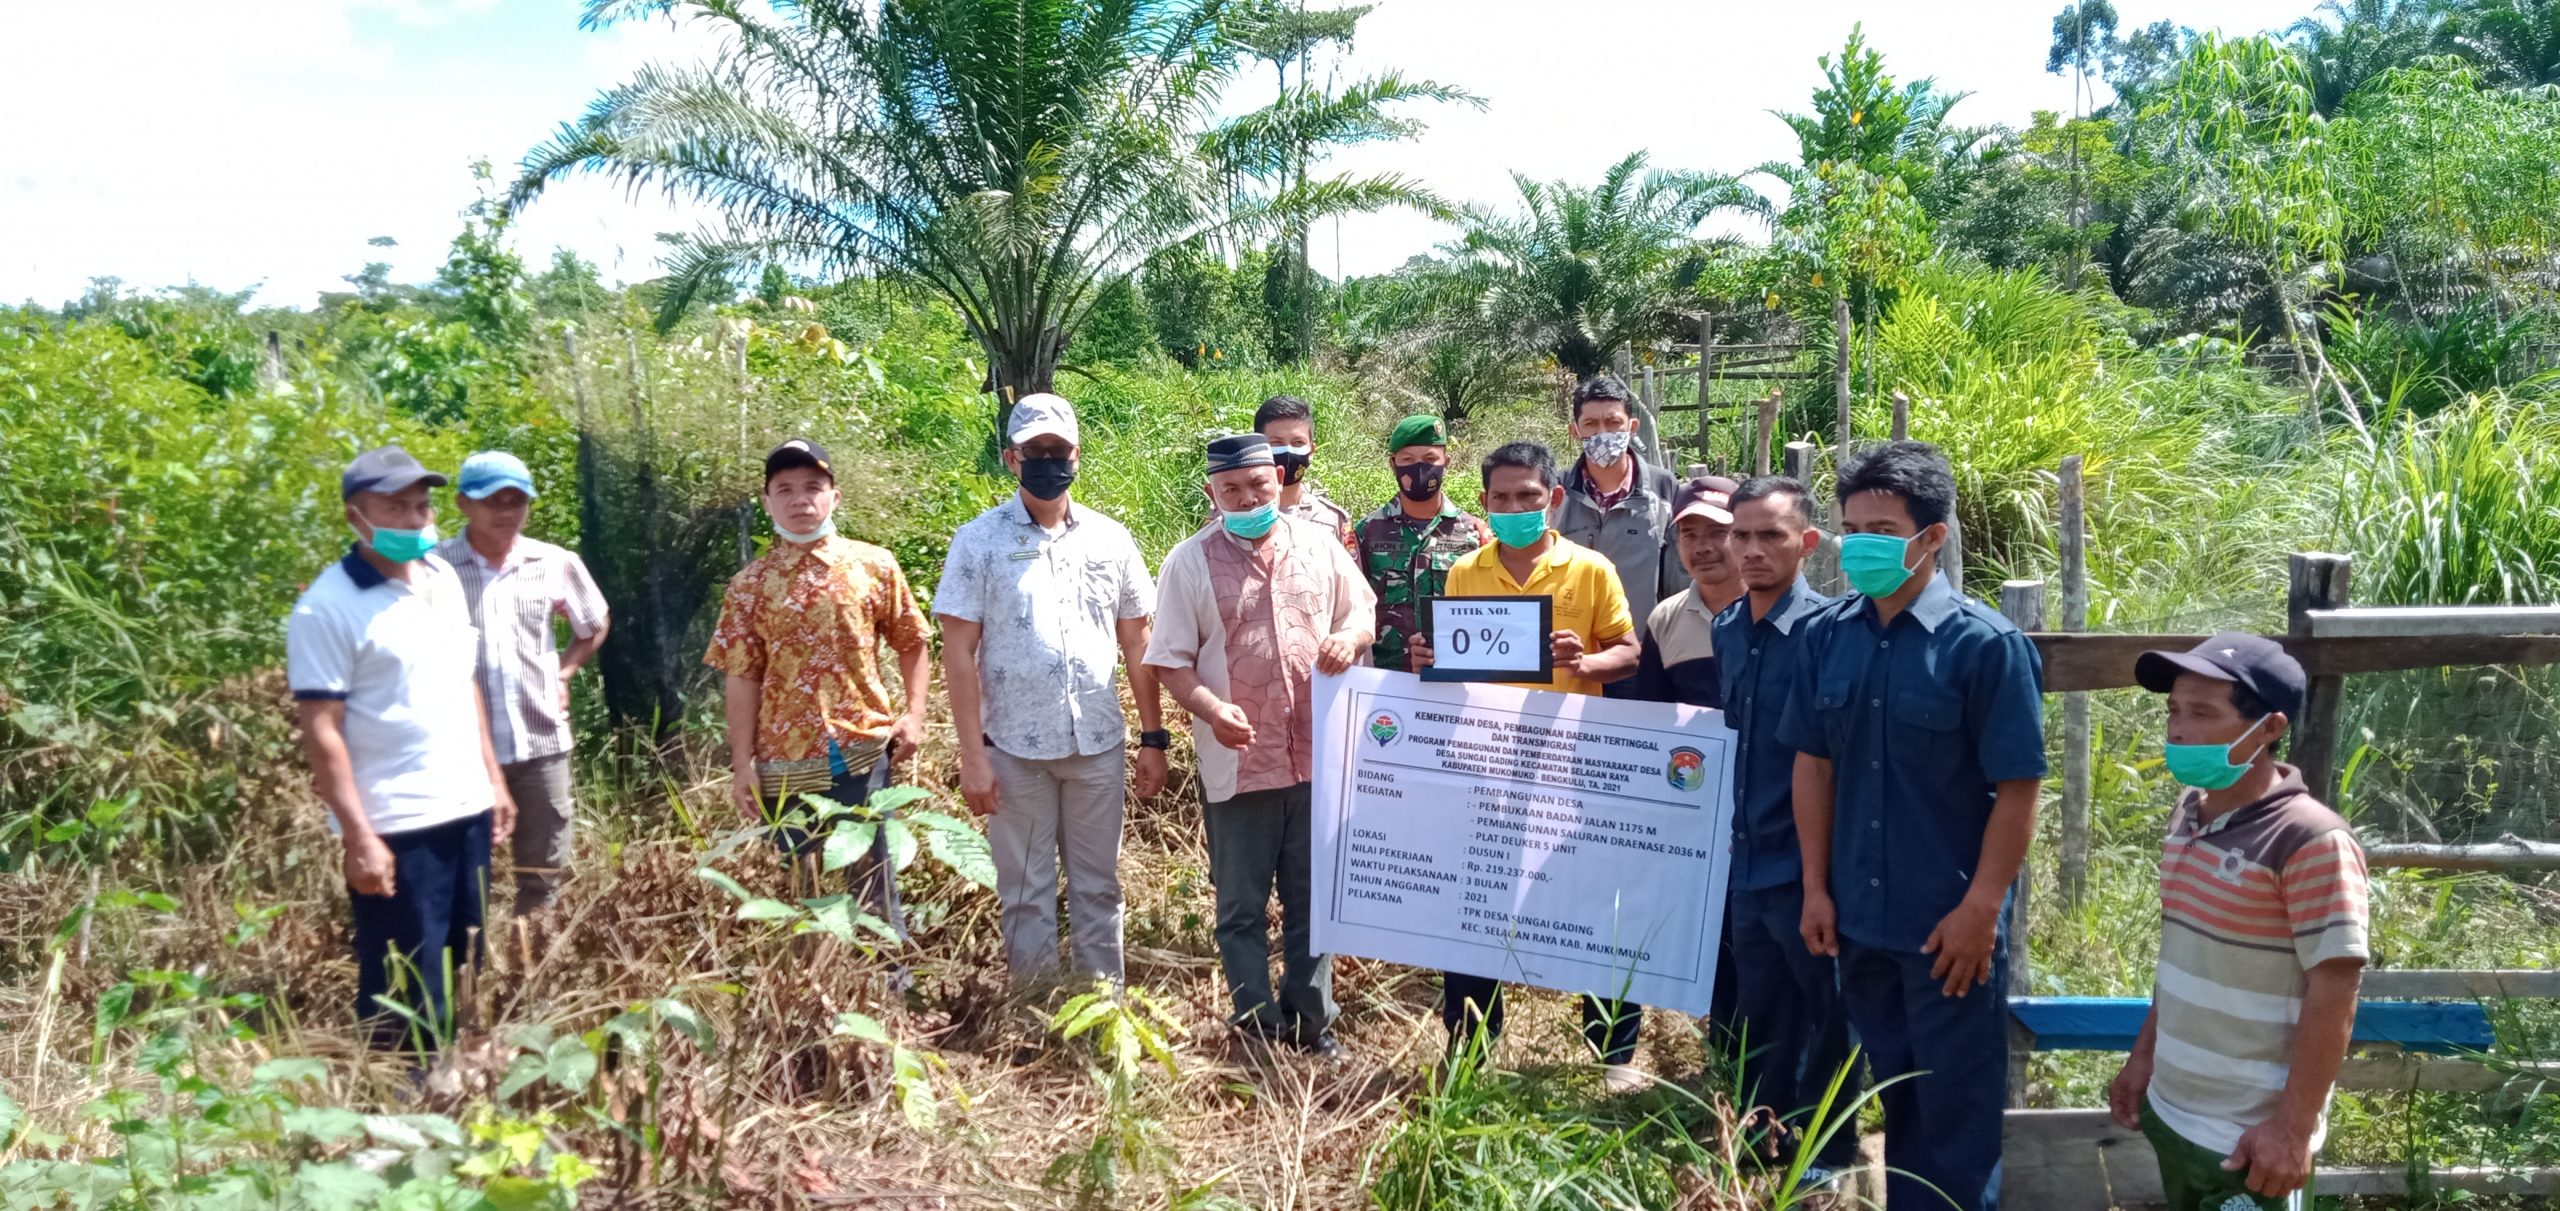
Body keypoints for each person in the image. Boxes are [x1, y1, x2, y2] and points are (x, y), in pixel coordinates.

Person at [1782, 440, 2047, 1211]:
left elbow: (2018, 789)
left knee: (1954, 1130)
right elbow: (1814, 767)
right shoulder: (1829, 637)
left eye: (1883, 527)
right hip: (1859, 925)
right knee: (1896, 1107)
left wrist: (1982, 907)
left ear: (1931, 537)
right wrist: (1814, 888)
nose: (1862, 543)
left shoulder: (1985, 648)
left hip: (1947, 936)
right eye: (1853, 526)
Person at [1409, 441, 1646, 1090]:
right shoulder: (1464, 574)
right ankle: (1472, 1044)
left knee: (1596, 906)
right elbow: (1459, 677)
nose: (1515, 507)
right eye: (1502, 498)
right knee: (1477, 903)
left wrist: (1586, 663)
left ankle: (1614, 1052)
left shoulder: (1592, 569)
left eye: (1528, 497)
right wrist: (1429, 662)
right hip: (1489, 767)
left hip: (1571, 767)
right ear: (1483, 503)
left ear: (1554, 499)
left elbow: (1627, 651)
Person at [2108, 635, 2368, 1210]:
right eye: (2174, 709)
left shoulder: (2310, 840)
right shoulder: (2189, 811)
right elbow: (2183, 951)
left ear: (2270, 728)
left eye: (2202, 712)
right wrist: (2144, 1057)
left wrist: (2293, 1129)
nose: (2178, 729)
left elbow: (2337, 985)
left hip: (2248, 1141)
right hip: (2173, 1112)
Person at [1145, 433, 1375, 1058]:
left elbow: (1363, 613)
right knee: (1240, 906)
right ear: (1211, 493)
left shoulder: (1320, 546)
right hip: (1239, 762)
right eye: (1231, 491)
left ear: (1278, 478)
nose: (1248, 499)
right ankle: (1255, 1022)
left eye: (1258, 486)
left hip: (1316, 758)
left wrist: (1350, 640)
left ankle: (1311, 1023)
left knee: (1313, 903)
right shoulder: (1188, 563)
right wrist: (1214, 709)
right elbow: (1169, 661)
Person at [935, 394, 1167, 992]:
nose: (1046, 461)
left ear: (1076, 456)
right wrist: (973, 755)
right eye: (1033, 451)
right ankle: (1035, 1013)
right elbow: (957, 652)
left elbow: (1138, 640)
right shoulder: (978, 542)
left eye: (1056, 451)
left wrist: (1153, 736)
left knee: (1098, 886)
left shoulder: (1110, 540)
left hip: (1096, 746)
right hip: (1013, 750)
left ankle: (1100, 1010)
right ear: (1011, 458)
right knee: (1025, 891)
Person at [288, 446, 516, 1051]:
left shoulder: (440, 577)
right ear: (354, 516)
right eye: (396, 507)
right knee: (404, 968)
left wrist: (492, 779)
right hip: (397, 820)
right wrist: (359, 835)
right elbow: (322, 730)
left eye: (421, 506)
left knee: (466, 952)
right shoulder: (326, 608)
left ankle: (460, 1077)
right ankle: (402, 1095)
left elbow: (463, 680)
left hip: (464, 805)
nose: (415, 520)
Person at [705, 438, 932, 937]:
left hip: (862, 753)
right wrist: (741, 764)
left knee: (872, 880)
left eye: (813, 486)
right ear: (767, 503)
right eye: (784, 489)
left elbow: (913, 642)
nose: (799, 498)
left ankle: (888, 993)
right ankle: (818, 999)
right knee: (803, 894)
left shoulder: (874, 566)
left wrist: (914, 714)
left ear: (835, 497)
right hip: (785, 765)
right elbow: (741, 676)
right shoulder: (751, 586)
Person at [1712, 476, 1856, 1183]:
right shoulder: (1727, 627)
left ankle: (1827, 1153)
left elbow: (1835, 762)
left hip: (1807, 861)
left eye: (1771, 535)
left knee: (1824, 1009)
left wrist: (1819, 879)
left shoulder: (1831, 633)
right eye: (1741, 535)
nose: (1751, 549)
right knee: (1758, 1008)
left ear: (1807, 542)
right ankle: (1761, 1138)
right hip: (1746, 857)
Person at [435, 451, 611, 940]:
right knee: (465, 882)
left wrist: (565, 672)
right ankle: (468, 983)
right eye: (493, 500)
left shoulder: (553, 563)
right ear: (463, 504)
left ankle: (528, 982)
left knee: (542, 877)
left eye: (517, 500)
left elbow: (593, 623)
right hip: (461, 752)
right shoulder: (435, 569)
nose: (507, 511)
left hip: (539, 740)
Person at [1553, 375, 1682, 696]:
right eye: (1591, 424)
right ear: (1575, 431)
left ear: (1632, 426)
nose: (1602, 433)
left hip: (1642, 660)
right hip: (1570, 663)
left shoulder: (1664, 489)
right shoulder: (1555, 493)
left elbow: (1680, 580)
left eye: (1613, 422)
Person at [1352, 414, 1490, 673]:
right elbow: (1352, 607)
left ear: (1446, 462)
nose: (1419, 468)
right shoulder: (1367, 532)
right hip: (1384, 680)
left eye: (1429, 459)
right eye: (1408, 460)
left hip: (1453, 676)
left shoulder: (1475, 534)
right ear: (1393, 465)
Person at [1624, 474, 1743, 707]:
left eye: (1718, 532)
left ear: (1745, 535)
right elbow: (1650, 713)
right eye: (1689, 534)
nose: (1702, 547)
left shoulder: (1772, 612)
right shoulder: (1665, 618)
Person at [1253, 394, 1354, 545]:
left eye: (1298, 442)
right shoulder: (1235, 515)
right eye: (1275, 443)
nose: (1287, 450)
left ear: (1311, 451)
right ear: (1257, 448)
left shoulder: (1332, 520)